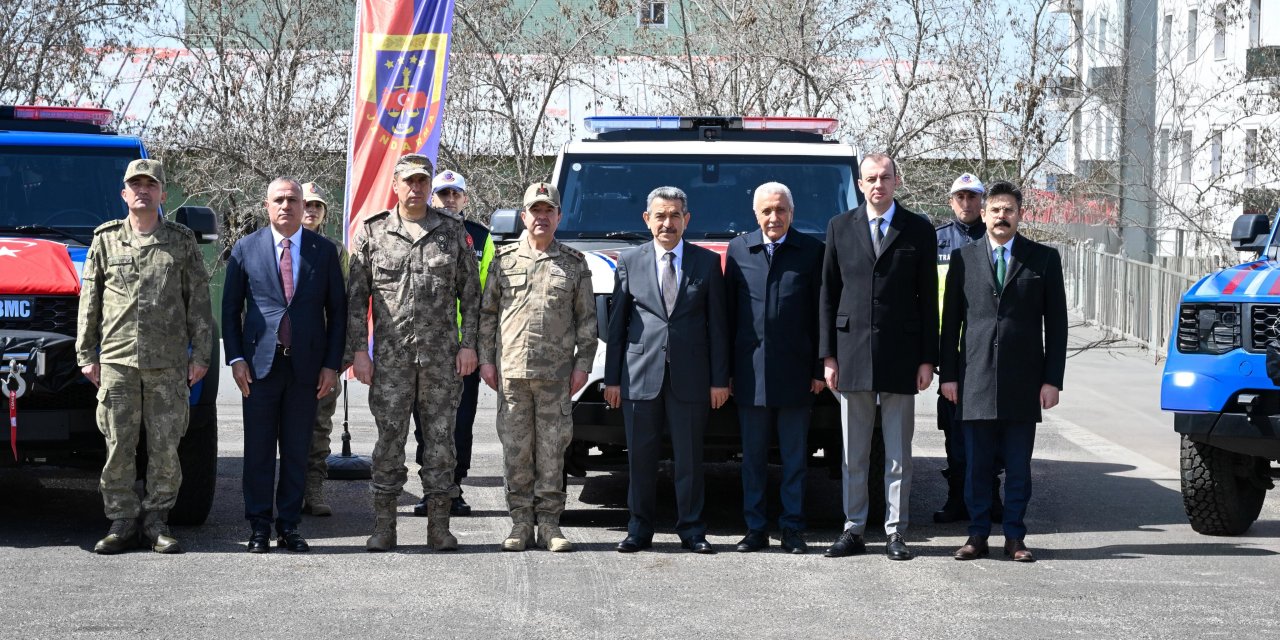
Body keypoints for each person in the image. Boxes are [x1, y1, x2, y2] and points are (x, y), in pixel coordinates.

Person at [77, 158, 214, 555]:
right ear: (124, 194)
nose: (142, 190)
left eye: (149, 184)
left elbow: (199, 303)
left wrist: (201, 355)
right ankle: (121, 522)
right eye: (135, 185)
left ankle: (156, 522)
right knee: (118, 443)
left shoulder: (182, 240)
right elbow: (91, 301)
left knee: (165, 445)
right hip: (117, 362)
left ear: (162, 193)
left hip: (168, 363)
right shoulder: (104, 240)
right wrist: (86, 354)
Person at [346, 153, 481, 552]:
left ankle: (439, 528)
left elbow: (470, 296)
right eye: (409, 181)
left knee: (441, 445)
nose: (416, 188)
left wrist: (469, 344)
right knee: (389, 443)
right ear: (396, 185)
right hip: (390, 360)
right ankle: (384, 528)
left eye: (423, 181)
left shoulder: (451, 231)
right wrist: (358, 351)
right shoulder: (372, 233)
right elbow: (356, 300)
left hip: (441, 360)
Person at [940, 180, 1067, 563]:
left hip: (1023, 382)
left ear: (1019, 214)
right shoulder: (964, 259)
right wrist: (949, 376)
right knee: (975, 465)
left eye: (1008, 209)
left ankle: (1015, 536)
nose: (1001, 216)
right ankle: (977, 535)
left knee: (1017, 467)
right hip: (974, 378)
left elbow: (1057, 326)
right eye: (995, 209)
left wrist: (1052, 380)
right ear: (983, 213)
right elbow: (951, 324)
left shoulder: (1042, 259)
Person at [819, 153, 938, 561]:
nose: (878, 185)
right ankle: (853, 529)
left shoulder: (918, 229)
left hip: (902, 357)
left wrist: (928, 359)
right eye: (870, 178)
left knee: (897, 454)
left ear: (897, 180)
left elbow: (928, 301)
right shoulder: (839, 227)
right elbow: (828, 296)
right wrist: (828, 356)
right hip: (850, 355)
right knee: (854, 453)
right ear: (859, 183)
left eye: (885, 177)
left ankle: (895, 532)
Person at [222, 178, 346, 553]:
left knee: (296, 449)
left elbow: (337, 313)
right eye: (279, 199)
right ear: (267, 205)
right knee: (258, 451)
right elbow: (230, 310)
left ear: (302, 204)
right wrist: (236, 357)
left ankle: (289, 526)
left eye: (293, 199)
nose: (287, 206)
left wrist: (330, 366)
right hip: (259, 368)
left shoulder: (323, 251)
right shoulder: (246, 248)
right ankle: (259, 525)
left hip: (307, 369)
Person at [603, 186, 729, 555]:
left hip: (691, 378)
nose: (668, 223)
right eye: (660, 215)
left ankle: (691, 529)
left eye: (675, 215)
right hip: (640, 376)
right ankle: (639, 529)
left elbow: (718, 327)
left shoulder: (706, 263)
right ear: (647, 219)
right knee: (640, 459)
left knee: (689, 459)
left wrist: (719, 380)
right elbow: (617, 326)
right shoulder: (629, 261)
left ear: (686, 220)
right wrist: (612, 379)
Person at [478, 182, 596, 552]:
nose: (541, 217)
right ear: (524, 216)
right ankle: (519, 525)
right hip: (512, 375)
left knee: (551, 453)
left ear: (558, 216)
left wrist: (583, 367)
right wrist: (485, 360)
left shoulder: (574, 264)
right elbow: (487, 315)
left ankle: (549, 526)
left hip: (557, 377)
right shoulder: (504, 260)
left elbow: (587, 323)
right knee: (516, 452)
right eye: (535, 210)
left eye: (548, 211)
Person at [723, 182, 824, 555]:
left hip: (797, 375)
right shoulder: (738, 250)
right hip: (750, 375)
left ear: (791, 213)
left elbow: (821, 316)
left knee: (795, 459)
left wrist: (818, 369)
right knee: (752, 460)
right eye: (766, 211)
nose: (773, 217)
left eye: (780, 210)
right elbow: (727, 317)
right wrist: (726, 372)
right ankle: (755, 529)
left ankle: (793, 528)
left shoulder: (812, 251)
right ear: (755, 215)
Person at [412, 169, 495, 518]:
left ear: (465, 198)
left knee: (461, 421)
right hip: (424, 348)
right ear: (434, 197)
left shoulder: (480, 236)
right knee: (425, 421)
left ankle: (455, 486)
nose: (449, 200)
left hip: (463, 348)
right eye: (443, 193)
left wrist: (474, 345)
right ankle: (430, 488)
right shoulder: (419, 231)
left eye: (455, 194)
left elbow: (486, 295)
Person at [932, 172, 1002, 524]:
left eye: (973, 197)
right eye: (960, 197)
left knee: (991, 428)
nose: (966, 203)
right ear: (951, 201)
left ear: (983, 203)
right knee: (955, 431)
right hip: (950, 351)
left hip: (986, 348)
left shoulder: (996, 239)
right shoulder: (937, 241)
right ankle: (957, 498)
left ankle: (991, 497)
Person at [299, 181, 348, 518]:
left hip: (321, 357)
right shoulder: (276, 246)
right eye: (307, 204)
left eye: (317, 206)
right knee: (284, 428)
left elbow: (343, 305)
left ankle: (313, 489)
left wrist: (340, 355)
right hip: (286, 354)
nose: (311, 211)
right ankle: (288, 489)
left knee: (319, 427)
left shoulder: (335, 251)